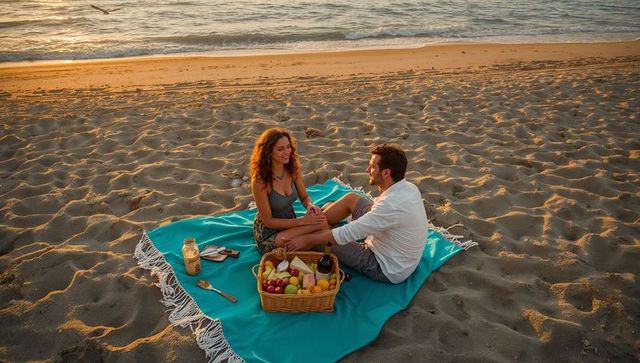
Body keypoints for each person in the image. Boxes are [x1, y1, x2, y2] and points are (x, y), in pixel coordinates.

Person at [284, 144, 428, 284]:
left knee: (323, 238)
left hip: (385, 266)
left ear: (386, 173)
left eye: (372, 167)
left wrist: (308, 239)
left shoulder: (390, 206)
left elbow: (347, 233)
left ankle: (298, 236)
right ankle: (311, 225)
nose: (367, 170)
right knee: (351, 199)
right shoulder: (408, 187)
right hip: (390, 241)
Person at [250, 127, 326, 254]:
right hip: (269, 233)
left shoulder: (292, 169)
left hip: (292, 223)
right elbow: (268, 221)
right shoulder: (260, 180)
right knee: (319, 227)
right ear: (268, 152)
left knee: (322, 221)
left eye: (288, 147)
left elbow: (304, 197)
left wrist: (310, 205)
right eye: (280, 149)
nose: (287, 152)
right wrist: (302, 221)